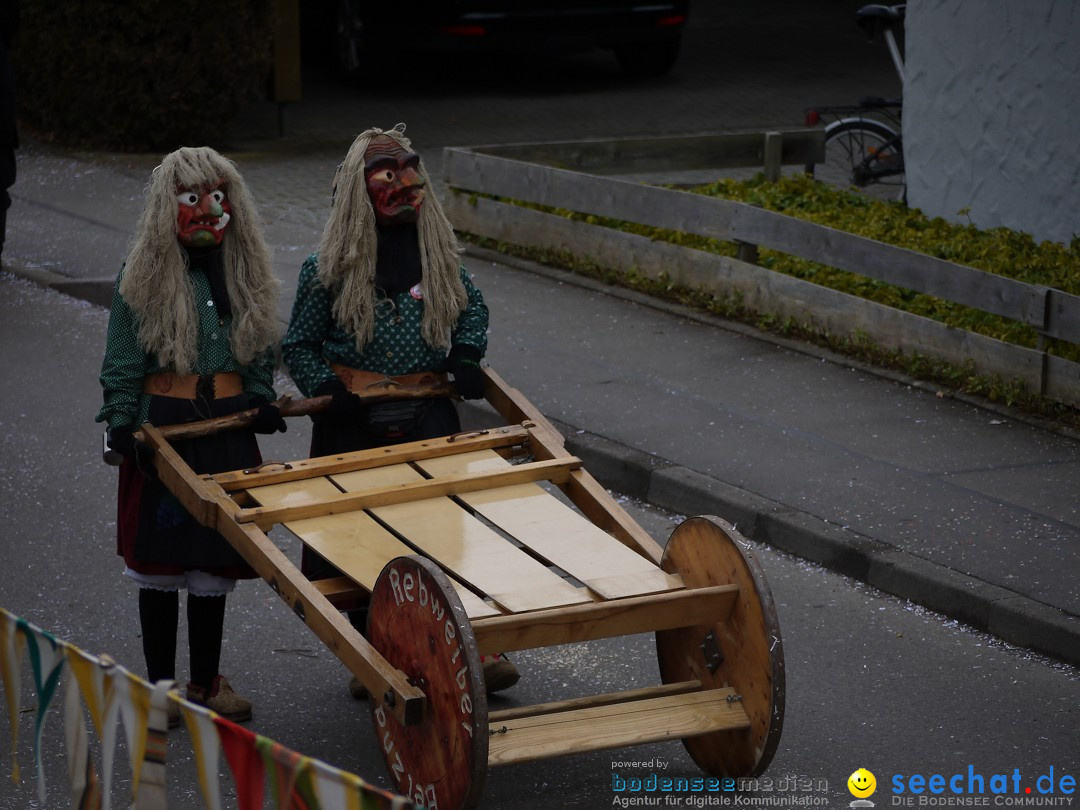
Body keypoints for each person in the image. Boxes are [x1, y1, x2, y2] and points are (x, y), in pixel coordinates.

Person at [281, 123, 519, 694]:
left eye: (411, 172)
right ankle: (379, 654)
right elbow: (298, 344)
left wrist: (465, 353)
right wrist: (323, 387)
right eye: (388, 175)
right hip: (352, 417)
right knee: (360, 542)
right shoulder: (327, 269)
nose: (405, 185)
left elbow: (472, 308)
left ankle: (470, 648)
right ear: (361, 192)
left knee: (439, 533)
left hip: (425, 409)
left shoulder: (436, 260)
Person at [96, 146, 286, 726]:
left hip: (227, 428)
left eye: (218, 198)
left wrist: (260, 395)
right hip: (166, 433)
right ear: (166, 209)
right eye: (192, 199)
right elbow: (124, 358)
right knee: (160, 562)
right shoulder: (142, 278)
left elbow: (256, 346)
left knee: (211, 559)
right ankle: (161, 688)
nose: (208, 210)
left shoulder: (242, 272)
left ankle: (205, 682)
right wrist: (122, 420)